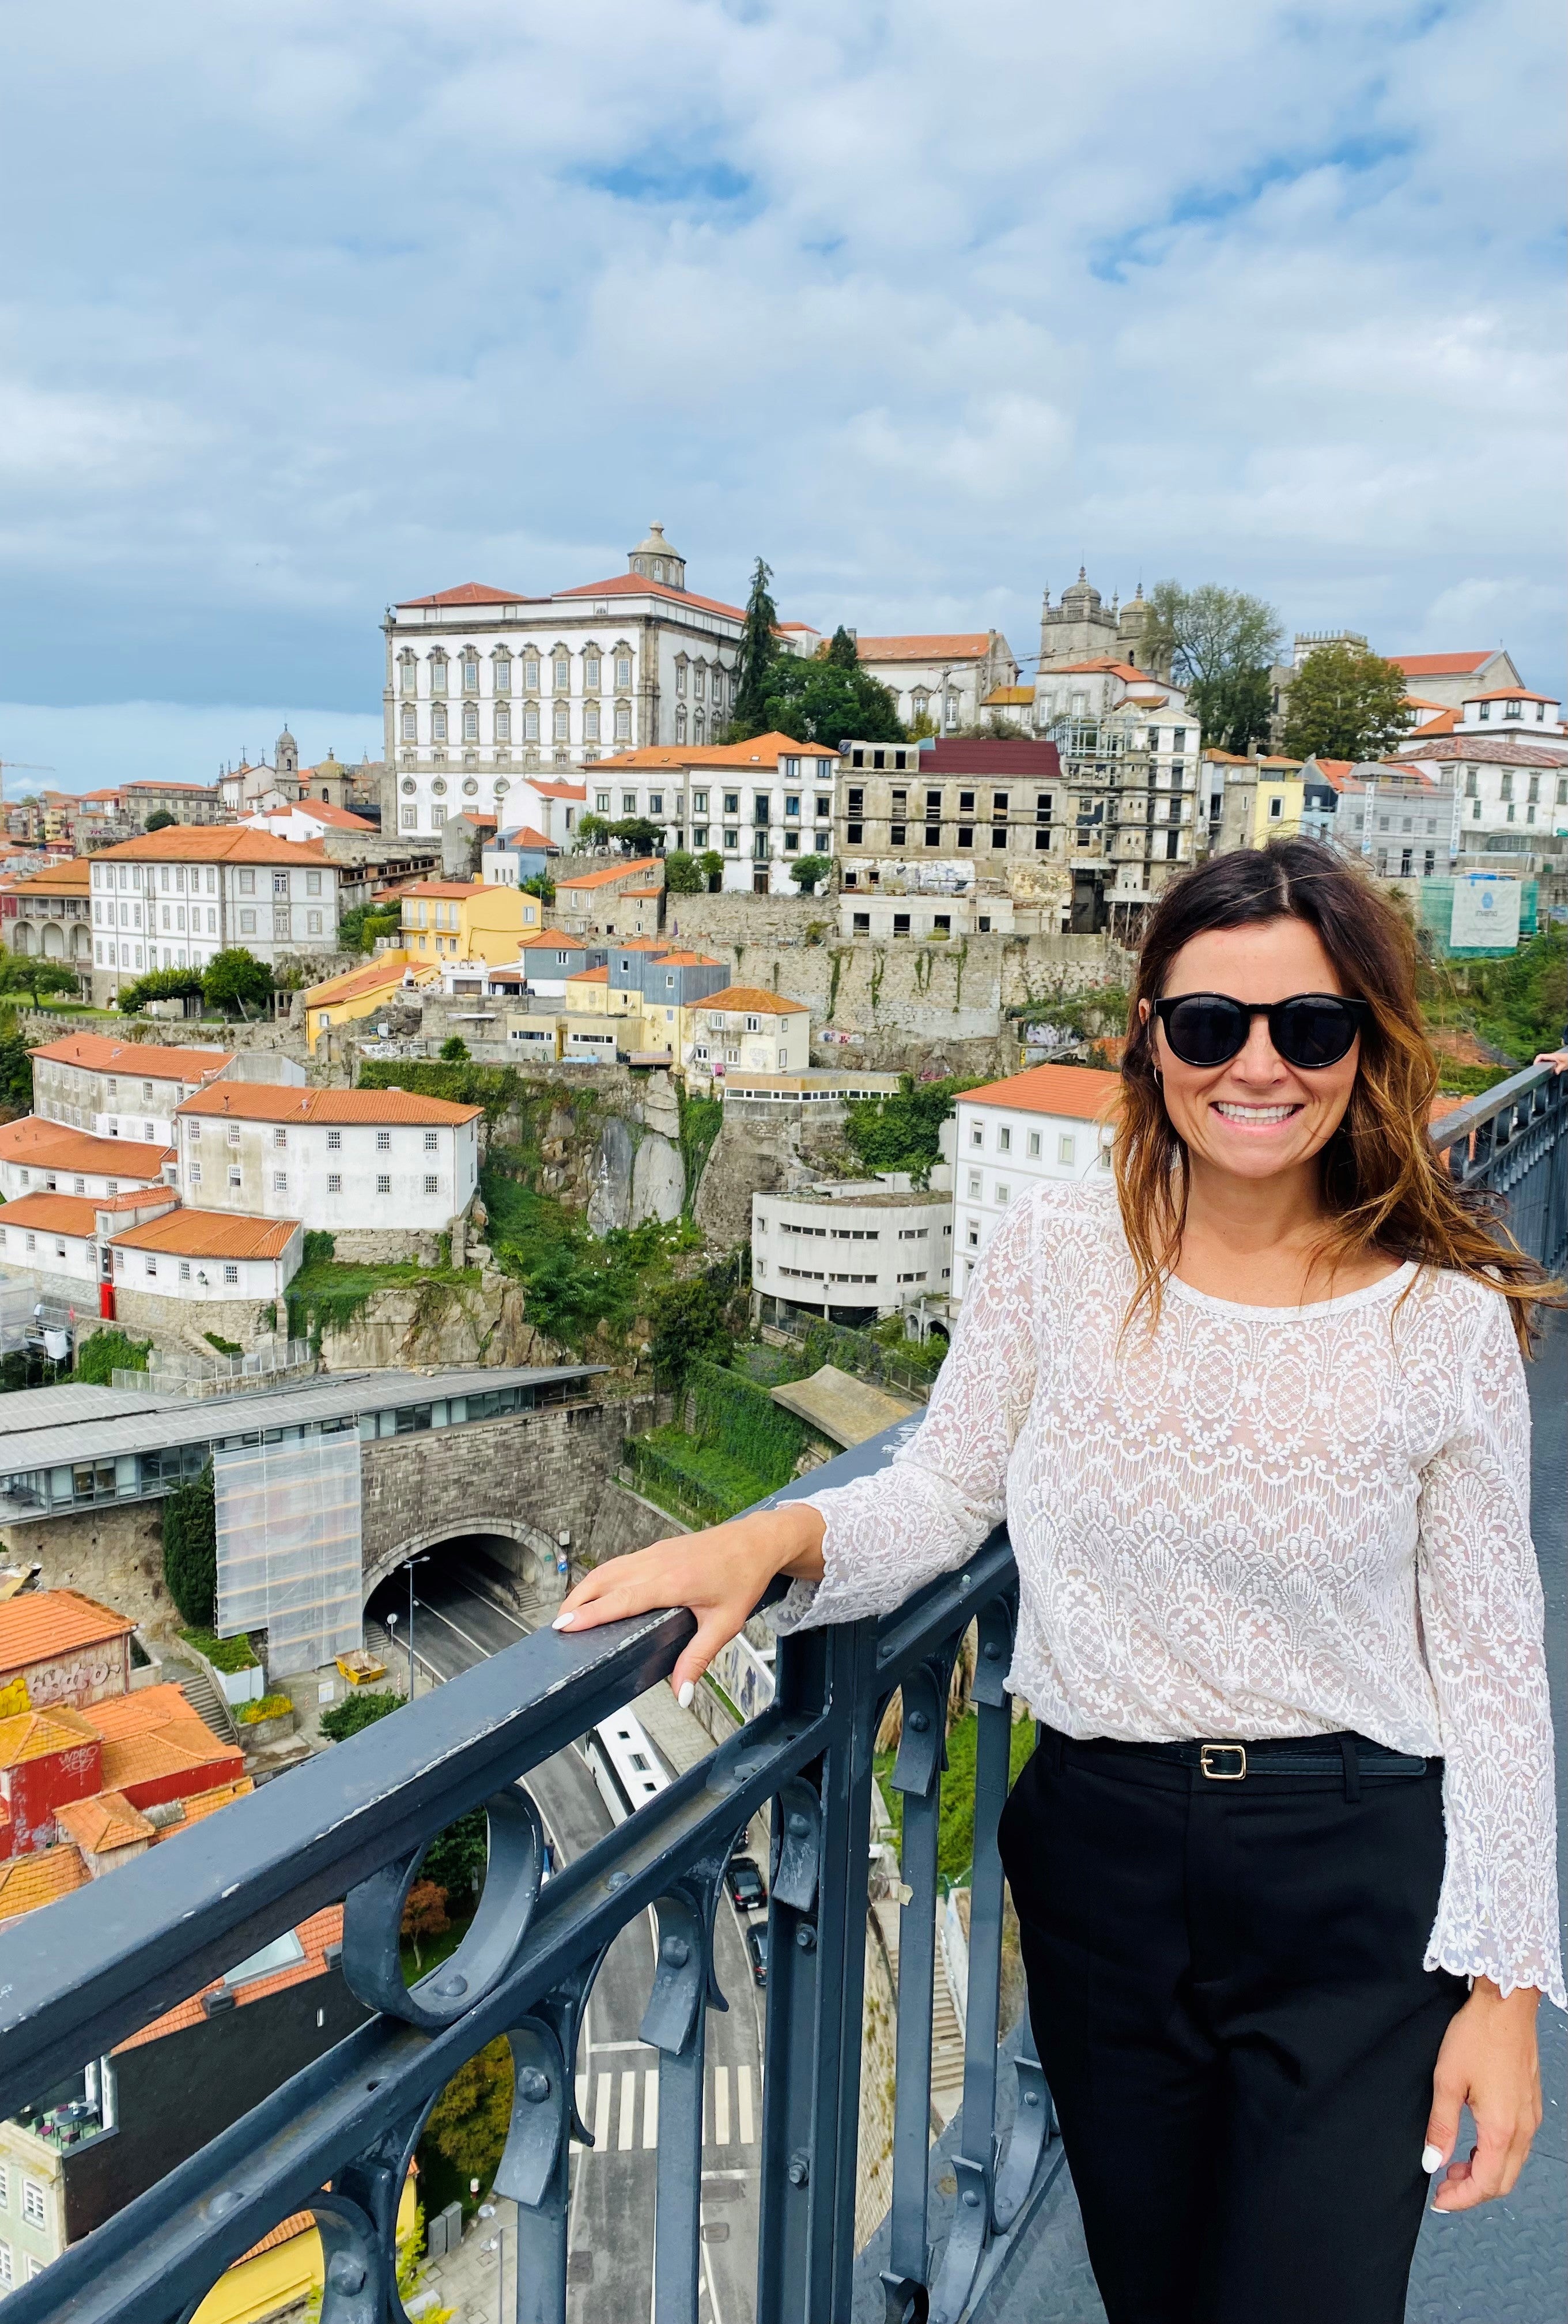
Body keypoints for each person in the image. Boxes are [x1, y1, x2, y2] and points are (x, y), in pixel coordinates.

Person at [554, 839, 1562, 2323]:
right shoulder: (1056, 1255)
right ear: (1151, 1041)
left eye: (1311, 1027)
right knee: (1156, 2293)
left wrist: (1507, 1993)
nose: (1258, 1067)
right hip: (1106, 1857)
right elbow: (943, 1494)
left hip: (1354, 1877)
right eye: (1211, 1026)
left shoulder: (1442, 1324)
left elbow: (1493, 1668)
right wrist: (778, 1541)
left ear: (1367, 1047)